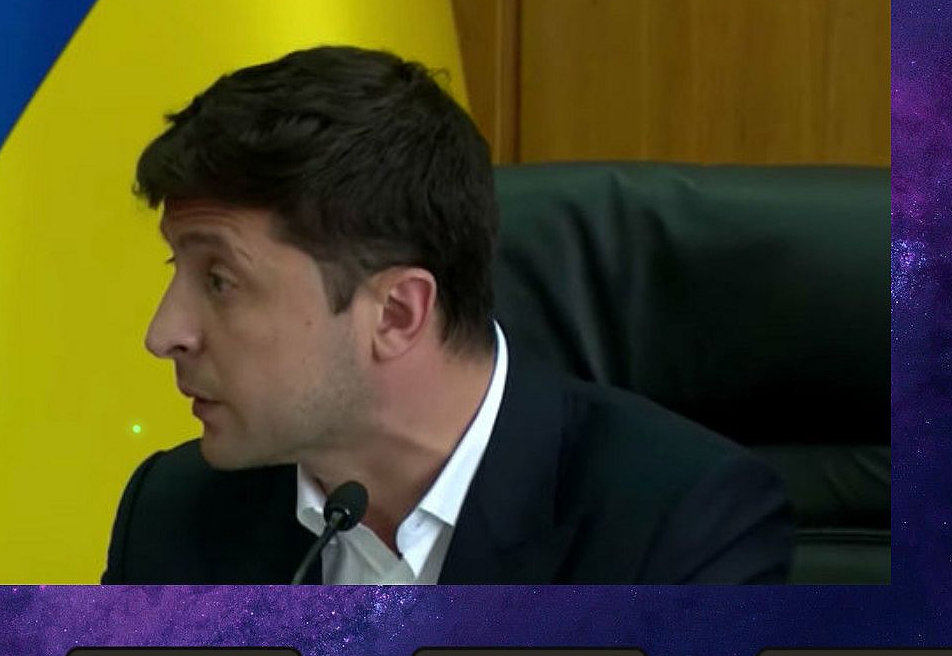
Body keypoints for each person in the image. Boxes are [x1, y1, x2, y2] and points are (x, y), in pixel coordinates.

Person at [101, 46, 791, 585]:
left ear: (396, 314)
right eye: (177, 268)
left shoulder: (679, 525)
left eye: (219, 281)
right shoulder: (174, 515)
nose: (163, 335)